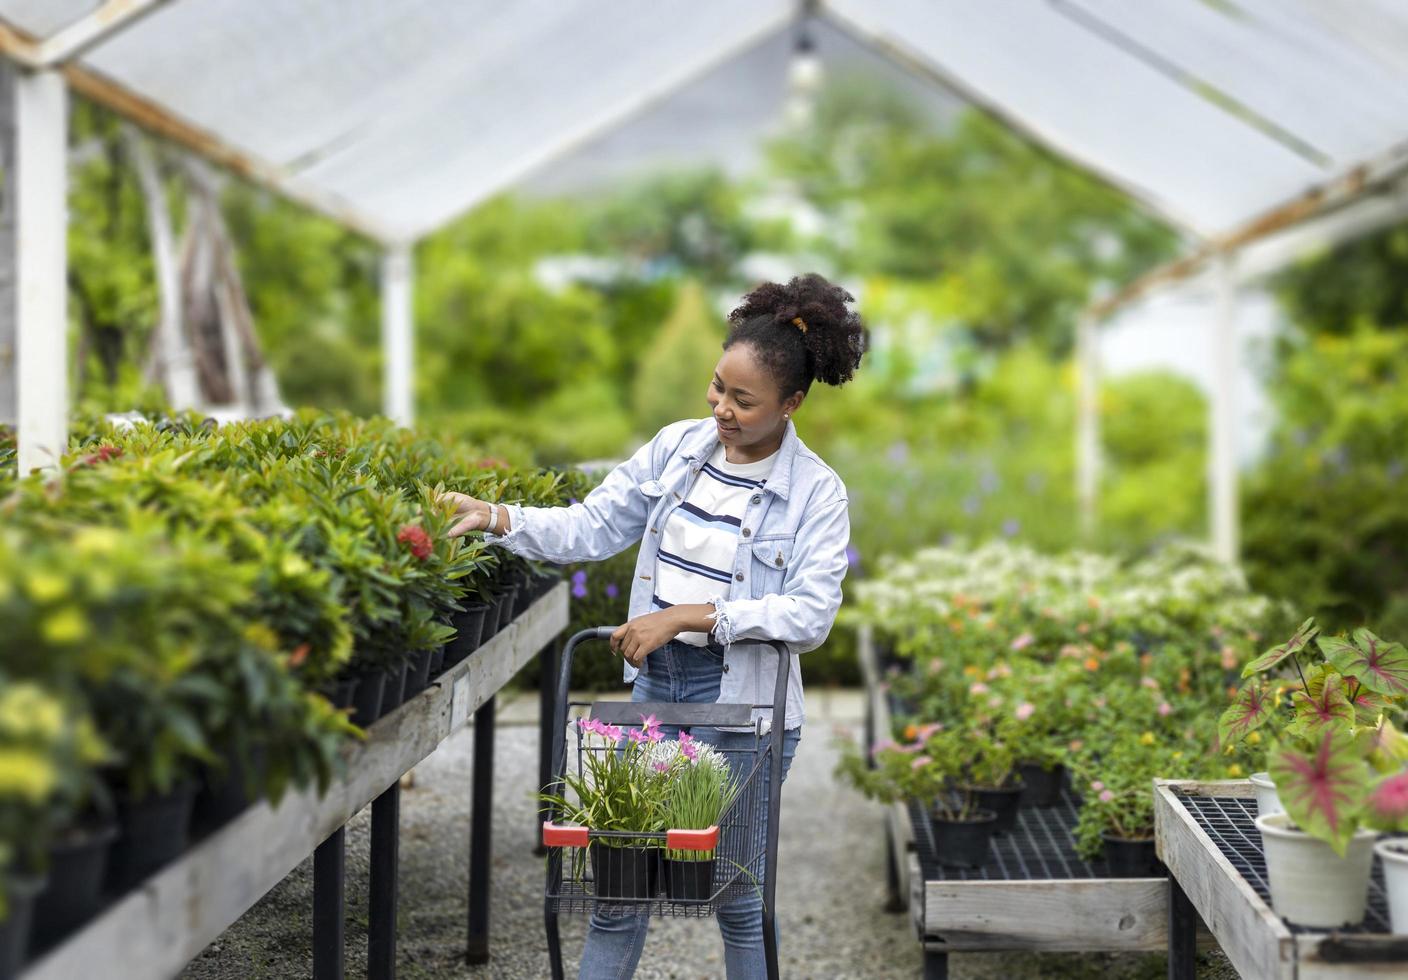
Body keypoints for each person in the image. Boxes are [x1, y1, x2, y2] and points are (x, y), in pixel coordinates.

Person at [441, 274, 866, 979]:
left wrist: (692, 617)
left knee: (734, 893)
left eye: (743, 400)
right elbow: (591, 524)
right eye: (717, 387)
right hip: (654, 694)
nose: (721, 409)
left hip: (745, 712)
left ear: (791, 404)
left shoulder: (816, 492)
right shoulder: (677, 451)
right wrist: (497, 517)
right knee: (619, 891)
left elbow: (811, 615)